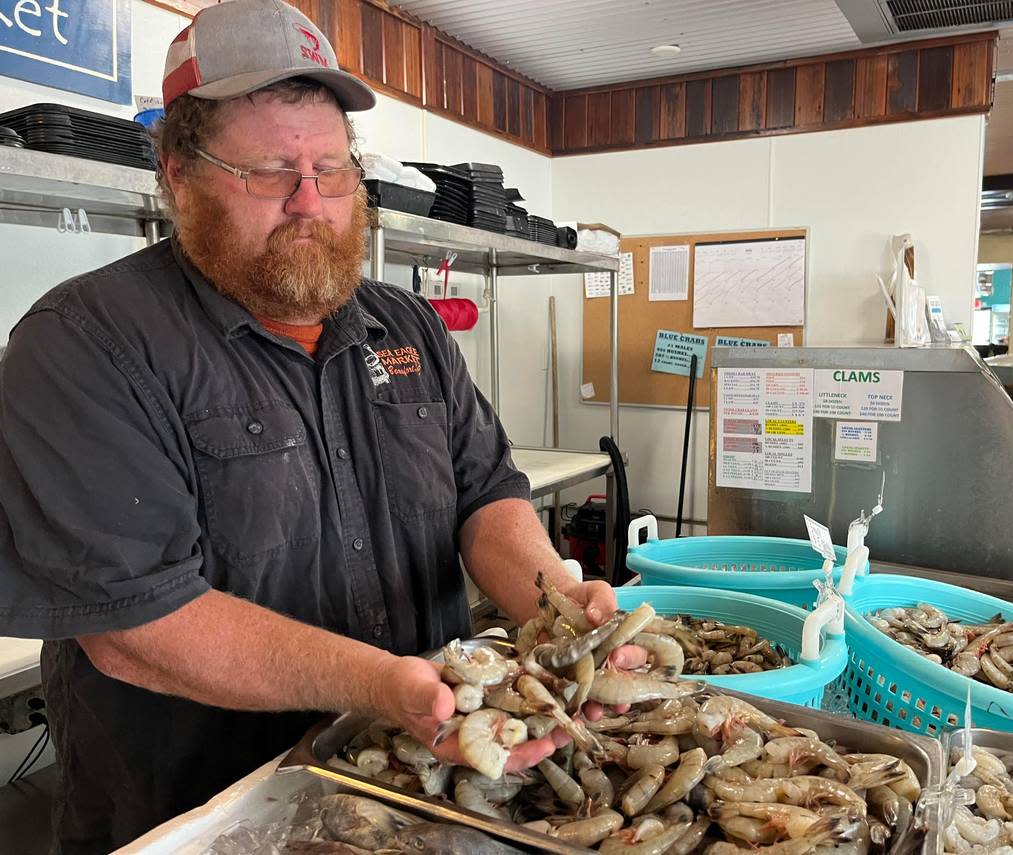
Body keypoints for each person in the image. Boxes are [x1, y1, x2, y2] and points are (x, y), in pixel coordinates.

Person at [0, 2, 633, 851]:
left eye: (332, 169)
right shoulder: (85, 344)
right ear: (177, 171)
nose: (311, 202)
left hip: (418, 786)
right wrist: (385, 686)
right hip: (204, 811)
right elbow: (136, 623)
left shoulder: (407, 327)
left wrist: (555, 612)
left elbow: (486, 496)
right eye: (269, 172)